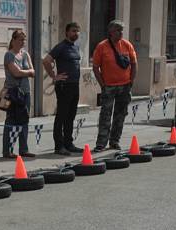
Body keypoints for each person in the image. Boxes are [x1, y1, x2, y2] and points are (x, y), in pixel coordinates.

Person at [92, 20, 137, 152]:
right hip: (109, 87)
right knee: (105, 115)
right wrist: (103, 84)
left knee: (120, 114)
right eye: (118, 30)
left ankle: (114, 141)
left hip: (125, 86)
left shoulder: (127, 45)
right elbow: (95, 67)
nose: (121, 33)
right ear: (111, 32)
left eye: (122, 30)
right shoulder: (102, 46)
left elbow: (134, 64)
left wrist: (131, 81)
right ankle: (101, 143)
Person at [43, 22, 84, 156]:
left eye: (77, 31)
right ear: (67, 32)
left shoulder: (76, 47)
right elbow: (46, 61)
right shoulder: (61, 47)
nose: (76, 34)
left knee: (71, 116)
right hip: (64, 86)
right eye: (73, 31)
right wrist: (54, 76)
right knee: (62, 115)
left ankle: (68, 143)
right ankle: (58, 146)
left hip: (74, 85)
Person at [2, 30, 36, 159]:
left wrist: (24, 71)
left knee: (24, 120)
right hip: (13, 92)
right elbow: (15, 73)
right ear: (14, 40)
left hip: (25, 92)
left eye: (24, 39)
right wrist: (27, 72)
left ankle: (24, 149)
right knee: (11, 120)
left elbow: (33, 71)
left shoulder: (25, 54)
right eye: (21, 39)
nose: (23, 42)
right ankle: (7, 150)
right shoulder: (9, 55)